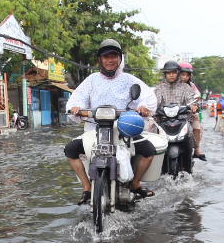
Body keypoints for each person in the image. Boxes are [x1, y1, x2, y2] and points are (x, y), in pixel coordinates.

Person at [65, 39, 158, 203]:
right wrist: (75, 108)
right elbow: (76, 99)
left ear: (119, 58)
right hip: (94, 131)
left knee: (149, 150)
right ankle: (87, 187)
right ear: (99, 60)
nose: (110, 60)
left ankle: (135, 184)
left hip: (124, 130)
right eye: (106, 56)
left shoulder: (130, 80)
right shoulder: (91, 80)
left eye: (114, 56)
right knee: (70, 150)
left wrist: (144, 107)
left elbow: (147, 97)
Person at [178, 62, 206, 161]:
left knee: (197, 125)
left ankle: (197, 150)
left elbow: (197, 96)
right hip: (171, 114)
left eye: (187, 75)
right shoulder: (170, 85)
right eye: (182, 74)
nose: (184, 77)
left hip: (187, 113)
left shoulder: (191, 86)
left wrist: (194, 106)